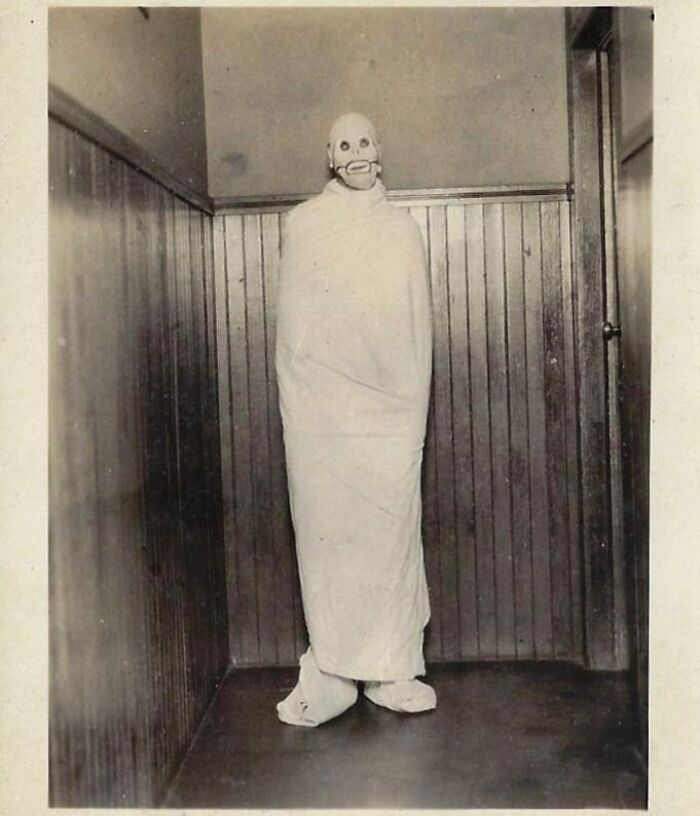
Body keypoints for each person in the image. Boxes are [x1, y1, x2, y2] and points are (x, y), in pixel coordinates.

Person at [275, 112, 435, 727]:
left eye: (365, 140)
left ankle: (392, 669)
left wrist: (400, 393)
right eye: (344, 144)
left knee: (389, 531)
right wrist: (317, 394)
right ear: (331, 158)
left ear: (379, 148)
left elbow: (414, 322)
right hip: (325, 413)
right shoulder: (307, 225)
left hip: (391, 411)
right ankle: (336, 670)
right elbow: (296, 328)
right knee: (330, 533)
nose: (357, 152)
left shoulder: (401, 228)